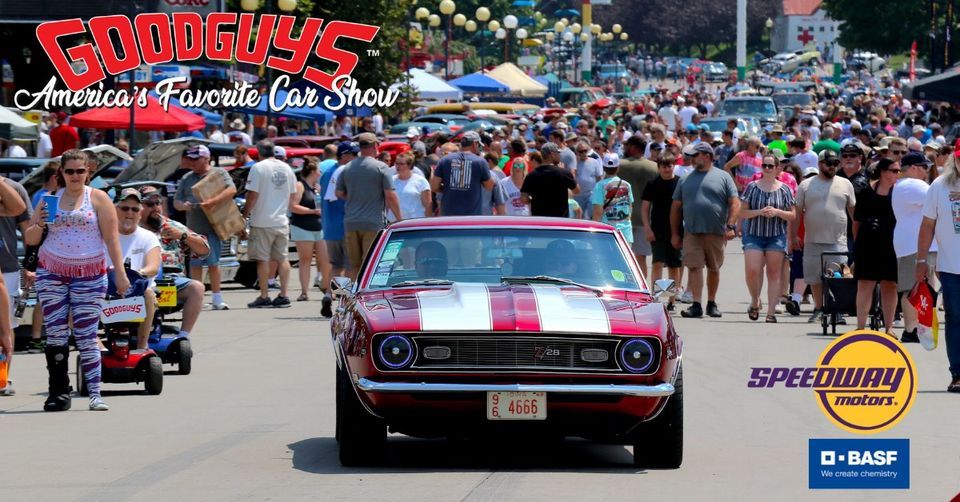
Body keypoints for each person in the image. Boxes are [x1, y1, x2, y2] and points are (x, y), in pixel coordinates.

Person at [26, 149, 127, 412]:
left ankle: (95, 393)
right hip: (52, 271)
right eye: (69, 171)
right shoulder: (49, 200)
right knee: (56, 334)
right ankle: (58, 392)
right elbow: (31, 239)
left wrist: (120, 272)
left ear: (88, 172)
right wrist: (39, 225)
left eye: (80, 171)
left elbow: (112, 238)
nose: (74, 176)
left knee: (86, 334)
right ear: (61, 172)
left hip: (90, 273)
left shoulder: (99, 198)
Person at [670, 142, 740, 318]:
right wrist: (675, 234)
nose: (691, 159)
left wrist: (731, 225)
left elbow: (735, 202)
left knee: (714, 268)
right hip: (692, 232)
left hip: (716, 232)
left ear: (707, 156)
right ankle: (696, 304)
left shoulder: (723, 177)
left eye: (695, 155)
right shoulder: (685, 179)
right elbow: (676, 207)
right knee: (694, 267)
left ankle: (711, 302)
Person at [793, 150, 857, 324]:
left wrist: (859, 237)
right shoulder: (806, 185)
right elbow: (797, 213)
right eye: (829, 163)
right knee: (814, 278)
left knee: (838, 277)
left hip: (838, 240)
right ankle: (819, 309)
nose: (832, 167)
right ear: (820, 164)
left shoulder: (845, 184)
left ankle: (837, 310)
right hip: (812, 239)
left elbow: (853, 213)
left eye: (835, 164)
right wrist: (793, 237)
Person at [139, 186, 209, 344]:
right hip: (140, 280)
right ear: (140, 207)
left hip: (169, 284)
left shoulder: (170, 226)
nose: (156, 208)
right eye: (149, 204)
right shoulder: (131, 227)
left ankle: (183, 337)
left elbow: (205, 249)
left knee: (197, 288)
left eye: (158, 203)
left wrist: (183, 236)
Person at [916, 150, 960, 392]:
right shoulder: (940, 185)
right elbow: (927, 224)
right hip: (951, 266)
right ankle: (957, 373)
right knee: (955, 319)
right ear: (954, 159)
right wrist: (921, 260)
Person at [173, 145, 235, 310]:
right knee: (195, 264)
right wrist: (183, 206)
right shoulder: (187, 178)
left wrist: (212, 202)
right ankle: (197, 298)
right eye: (190, 159)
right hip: (194, 229)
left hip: (214, 226)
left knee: (214, 263)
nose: (192, 162)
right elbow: (176, 202)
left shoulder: (219, 173)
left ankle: (217, 297)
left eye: (196, 159)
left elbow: (231, 190)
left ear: (206, 159)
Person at [336, 133, 402, 279]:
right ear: (375, 146)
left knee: (354, 266)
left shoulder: (347, 167)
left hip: (351, 222)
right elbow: (390, 196)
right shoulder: (381, 167)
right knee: (371, 266)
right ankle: (366, 299)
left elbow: (339, 192)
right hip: (373, 222)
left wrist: (354, 198)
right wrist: (399, 219)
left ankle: (351, 298)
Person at [739, 155, 796, 323]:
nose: (767, 168)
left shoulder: (785, 189)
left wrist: (777, 212)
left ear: (778, 168)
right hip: (754, 234)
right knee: (752, 270)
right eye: (764, 165)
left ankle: (771, 312)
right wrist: (759, 212)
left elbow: (792, 215)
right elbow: (742, 212)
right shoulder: (752, 187)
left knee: (773, 273)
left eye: (771, 166)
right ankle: (755, 300)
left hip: (776, 236)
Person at [244, 140, 297, 308]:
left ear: (258, 152)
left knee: (263, 259)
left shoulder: (258, 168)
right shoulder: (287, 168)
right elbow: (293, 195)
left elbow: (252, 194)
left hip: (262, 220)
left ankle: (264, 295)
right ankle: (284, 294)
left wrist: (244, 214)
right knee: (283, 258)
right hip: (281, 220)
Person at [892, 152, 938, 343]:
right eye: (924, 167)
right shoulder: (913, 185)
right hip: (916, 245)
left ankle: (916, 328)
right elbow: (939, 200)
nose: (927, 172)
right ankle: (912, 329)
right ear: (913, 168)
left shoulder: (902, 185)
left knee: (917, 287)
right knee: (915, 287)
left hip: (911, 243)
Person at [107, 189, 161, 350]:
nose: (130, 213)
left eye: (135, 209)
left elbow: (153, 267)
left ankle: (141, 347)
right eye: (125, 208)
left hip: (138, 289)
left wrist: (136, 274)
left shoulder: (148, 237)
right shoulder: (103, 235)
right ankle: (98, 347)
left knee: (149, 293)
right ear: (115, 209)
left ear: (140, 213)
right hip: (107, 289)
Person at [852, 158, 900, 333]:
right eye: (893, 170)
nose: (897, 174)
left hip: (892, 244)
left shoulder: (900, 192)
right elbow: (856, 221)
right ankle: (860, 327)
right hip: (868, 244)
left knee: (890, 285)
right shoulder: (866, 192)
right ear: (882, 171)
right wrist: (857, 246)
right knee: (865, 284)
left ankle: (889, 327)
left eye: (898, 171)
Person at [0, 176, 30, 396]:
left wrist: (31, 265)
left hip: (7, 268)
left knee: (5, 326)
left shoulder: (13, 187)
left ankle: (2, 378)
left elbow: (25, 224)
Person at [290, 158, 332, 305]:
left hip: (319, 227)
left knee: (325, 259)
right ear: (313, 171)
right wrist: (312, 211)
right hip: (303, 227)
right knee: (305, 259)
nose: (320, 173)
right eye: (319, 170)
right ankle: (304, 292)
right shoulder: (300, 186)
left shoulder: (317, 187)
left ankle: (327, 289)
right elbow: (293, 206)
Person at [642, 153, 682, 309]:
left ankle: (671, 300)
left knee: (674, 265)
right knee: (657, 263)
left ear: (674, 166)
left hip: (676, 230)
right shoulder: (652, 184)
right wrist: (647, 227)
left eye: (669, 165)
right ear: (658, 168)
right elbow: (645, 208)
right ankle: (657, 298)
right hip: (657, 230)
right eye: (664, 166)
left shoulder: (680, 183)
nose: (667, 169)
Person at [619, 135, 659, 278]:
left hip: (622, 218)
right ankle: (642, 288)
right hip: (645, 219)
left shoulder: (620, 165)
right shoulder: (654, 167)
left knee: (621, 256)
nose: (625, 148)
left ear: (634, 147)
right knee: (641, 256)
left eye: (627, 145)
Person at [430, 131, 495, 216]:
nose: (479, 148)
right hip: (471, 216)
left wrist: (447, 188)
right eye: (479, 145)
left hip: (448, 215)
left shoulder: (445, 160)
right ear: (475, 144)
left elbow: (434, 187)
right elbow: (489, 187)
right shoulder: (480, 162)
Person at [321, 142, 357, 285]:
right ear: (344, 156)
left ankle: (329, 295)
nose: (356, 157)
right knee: (350, 266)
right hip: (344, 226)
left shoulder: (327, 173)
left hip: (330, 227)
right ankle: (344, 297)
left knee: (336, 265)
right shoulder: (346, 172)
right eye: (354, 154)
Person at [592, 153, 634, 244]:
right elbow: (630, 207)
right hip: (625, 232)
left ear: (604, 168)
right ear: (618, 167)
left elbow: (597, 211)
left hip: (607, 232)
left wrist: (593, 230)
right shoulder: (627, 185)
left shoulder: (600, 186)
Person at [574, 140, 604, 217]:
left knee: (592, 215)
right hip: (578, 195)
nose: (584, 153)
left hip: (591, 194)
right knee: (579, 217)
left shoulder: (594, 162)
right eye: (581, 151)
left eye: (585, 151)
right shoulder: (574, 163)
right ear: (577, 152)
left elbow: (599, 177)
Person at [500, 150, 532, 216]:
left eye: (520, 166)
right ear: (512, 167)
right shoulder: (504, 182)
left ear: (524, 168)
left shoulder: (529, 182)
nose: (517, 168)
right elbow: (499, 202)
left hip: (526, 219)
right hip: (509, 219)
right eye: (515, 165)